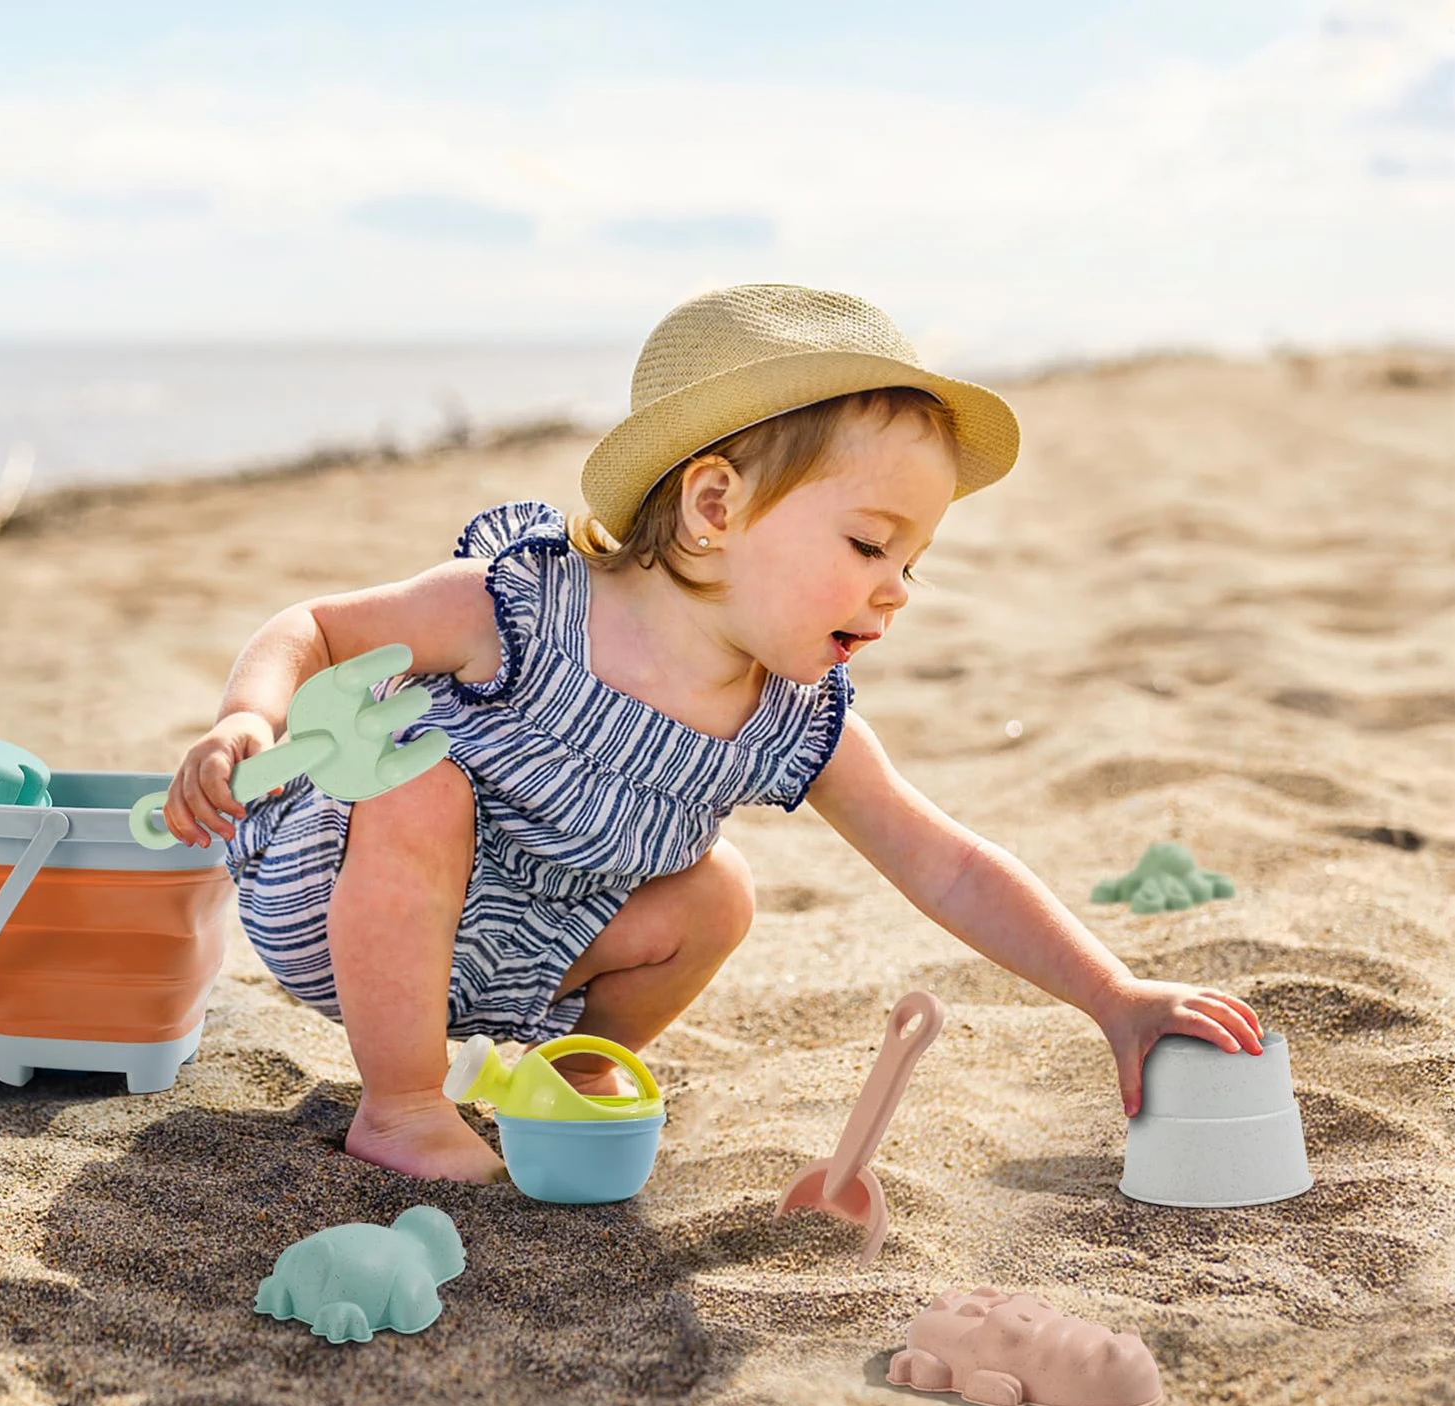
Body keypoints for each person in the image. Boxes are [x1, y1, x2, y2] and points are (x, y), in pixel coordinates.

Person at [162, 283, 1264, 1182]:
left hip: (527, 957)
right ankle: (398, 1103)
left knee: (718, 891)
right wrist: (247, 717)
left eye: (910, 562)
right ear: (713, 507)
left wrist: (1112, 996)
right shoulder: (519, 606)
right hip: (342, 900)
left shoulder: (791, 718)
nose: (894, 592)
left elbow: (951, 863)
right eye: (868, 544)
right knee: (426, 777)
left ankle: (574, 1066)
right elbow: (312, 625)